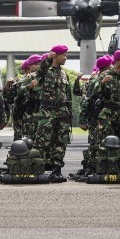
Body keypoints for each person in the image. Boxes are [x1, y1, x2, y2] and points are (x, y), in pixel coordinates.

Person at [33, 45, 73, 181]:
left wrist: (69, 112)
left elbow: (68, 95)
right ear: (55, 55)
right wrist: (47, 59)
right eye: (64, 55)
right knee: (43, 141)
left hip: (62, 112)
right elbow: (39, 72)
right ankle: (40, 169)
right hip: (48, 112)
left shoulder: (63, 73)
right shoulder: (46, 70)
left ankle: (56, 171)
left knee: (61, 142)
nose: (66, 58)